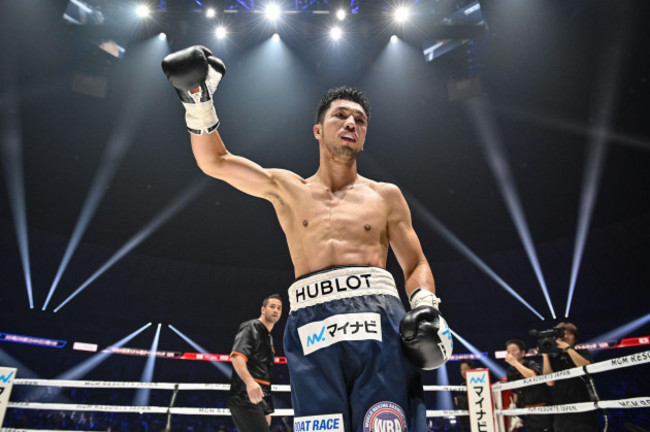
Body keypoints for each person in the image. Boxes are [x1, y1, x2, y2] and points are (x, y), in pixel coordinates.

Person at [161, 45, 453, 432]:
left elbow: (415, 263)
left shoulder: (386, 195)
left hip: (377, 316)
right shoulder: (288, 188)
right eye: (341, 115)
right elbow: (214, 161)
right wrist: (196, 99)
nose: (352, 123)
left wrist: (426, 304)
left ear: (364, 137)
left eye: (360, 120)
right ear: (318, 130)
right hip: (311, 322)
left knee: (387, 423)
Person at [227, 294, 283, 432]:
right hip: (245, 397)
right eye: (272, 307)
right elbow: (237, 357)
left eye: (279, 308)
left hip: (257, 401)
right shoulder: (251, 327)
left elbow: (265, 375)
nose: (276, 310)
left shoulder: (268, 337)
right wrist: (250, 382)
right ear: (263, 309)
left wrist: (266, 410)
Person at [542, 322, 599, 432]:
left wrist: (568, 348)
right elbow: (549, 382)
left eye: (569, 333)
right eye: (561, 334)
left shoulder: (582, 352)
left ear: (575, 338)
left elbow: (587, 368)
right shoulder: (554, 358)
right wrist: (545, 355)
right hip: (562, 408)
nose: (565, 336)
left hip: (583, 406)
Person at [504, 339, 553, 432]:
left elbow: (534, 377)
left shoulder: (531, 364)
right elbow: (515, 392)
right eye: (508, 351)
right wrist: (513, 409)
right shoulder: (510, 371)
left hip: (542, 410)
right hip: (527, 412)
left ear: (523, 353)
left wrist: (515, 363)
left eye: (514, 350)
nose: (511, 353)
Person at [453, 359, 473, 432]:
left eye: (466, 369)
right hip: (465, 423)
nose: (463, 372)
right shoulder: (462, 386)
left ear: (471, 369)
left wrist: (459, 400)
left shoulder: (478, 383)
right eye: (462, 369)